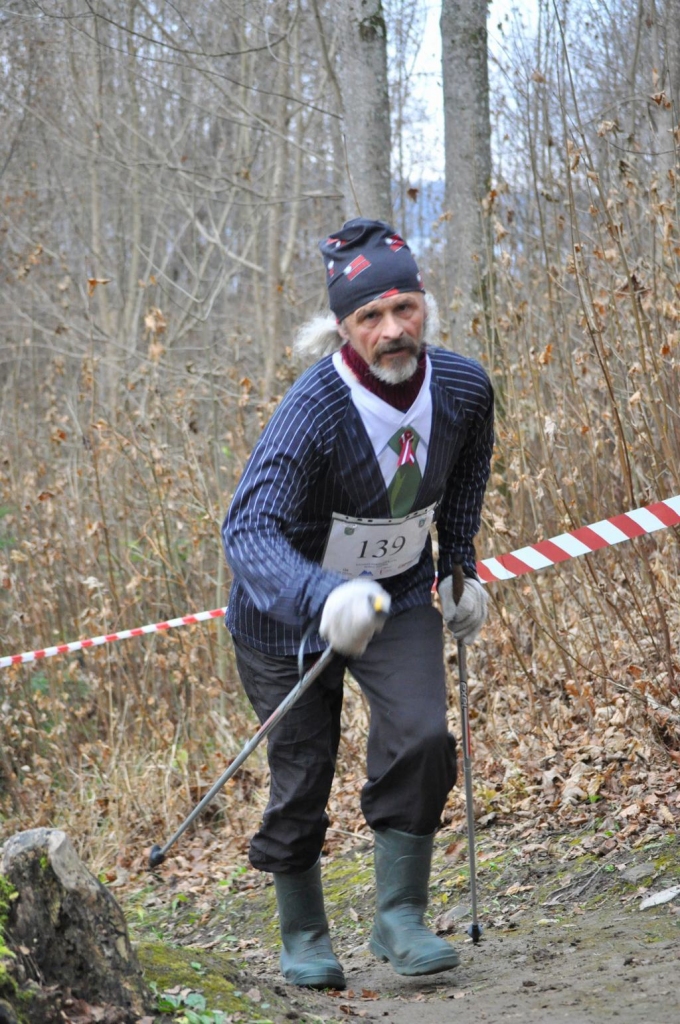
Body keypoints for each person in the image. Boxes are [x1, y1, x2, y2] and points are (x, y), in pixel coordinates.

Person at [222, 218, 494, 990]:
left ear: (425, 307)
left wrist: (460, 567)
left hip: (401, 590)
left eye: (404, 307)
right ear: (342, 327)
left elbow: (466, 471)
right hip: (284, 613)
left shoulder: (466, 387)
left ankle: (399, 918)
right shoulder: (316, 409)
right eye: (369, 316)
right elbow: (246, 527)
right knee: (303, 769)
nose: (392, 329)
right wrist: (322, 594)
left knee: (423, 736)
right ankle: (304, 931)